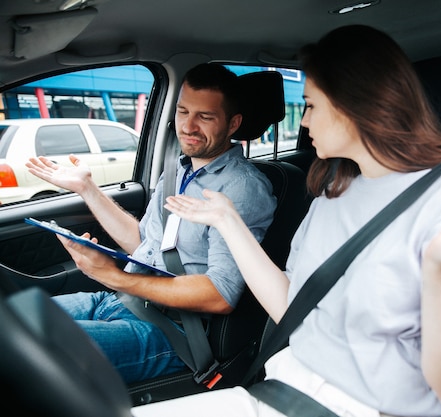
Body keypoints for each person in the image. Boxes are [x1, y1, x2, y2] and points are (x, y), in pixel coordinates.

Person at [128, 25, 441, 417]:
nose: (305, 122)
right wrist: (229, 221)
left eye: (312, 105)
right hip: (278, 389)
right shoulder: (335, 191)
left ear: (354, 104)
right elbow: (289, 309)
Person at [25, 63, 277, 384]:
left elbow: (220, 296)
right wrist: (87, 188)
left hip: (173, 332)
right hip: (123, 303)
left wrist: (115, 278)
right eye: (184, 111)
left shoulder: (243, 188)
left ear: (233, 124)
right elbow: (144, 243)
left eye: (206, 117)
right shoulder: (179, 170)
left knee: (25, 349)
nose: (188, 126)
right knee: (14, 319)